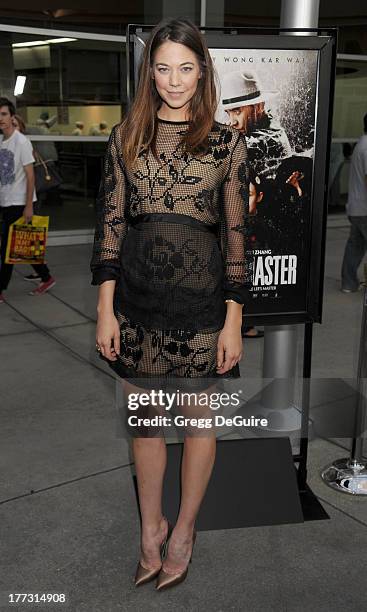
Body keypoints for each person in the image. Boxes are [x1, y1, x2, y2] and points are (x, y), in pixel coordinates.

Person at [90, 18, 249, 590]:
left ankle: (183, 529)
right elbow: (109, 232)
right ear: (148, 71)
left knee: (198, 423)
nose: (174, 81)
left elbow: (236, 239)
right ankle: (148, 528)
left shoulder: (227, 142)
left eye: (186, 67)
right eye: (163, 68)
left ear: (202, 70)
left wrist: (233, 320)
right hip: (137, 307)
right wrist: (106, 309)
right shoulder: (125, 138)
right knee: (147, 427)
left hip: (202, 311)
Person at [0, 99, 56, 303]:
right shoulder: (2, 141)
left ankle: (1, 288)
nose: (1, 119)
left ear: (12, 117)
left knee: (7, 248)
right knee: (23, 247)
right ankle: (47, 277)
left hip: (19, 202)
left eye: (4, 114)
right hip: (5, 201)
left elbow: (30, 176)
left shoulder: (21, 141)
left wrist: (29, 206)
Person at [11, 113, 57, 287]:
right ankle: (41, 272)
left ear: (21, 127)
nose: (11, 128)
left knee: (28, 236)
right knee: (26, 236)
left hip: (31, 196)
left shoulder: (22, 144)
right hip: (20, 197)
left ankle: (43, 274)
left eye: (15, 124)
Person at [341, 113, 367, 293]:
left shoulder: (361, 144)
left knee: (355, 246)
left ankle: (349, 284)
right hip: (365, 209)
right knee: (355, 245)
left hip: (356, 207)